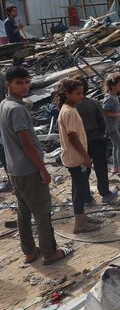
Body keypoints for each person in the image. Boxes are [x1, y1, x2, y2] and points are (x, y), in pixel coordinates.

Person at [0, 66, 70, 264]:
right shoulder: (16, 109)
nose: (24, 87)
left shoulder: (4, 105)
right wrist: (42, 169)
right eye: (19, 83)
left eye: (27, 82)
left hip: (15, 169)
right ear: (8, 85)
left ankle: (30, 251)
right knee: (42, 212)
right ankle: (50, 252)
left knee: (24, 211)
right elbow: (26, 143)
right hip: (28, 169)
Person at [55, 78, 102, 234]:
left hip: (75, 156)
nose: (81, 96)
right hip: (76, 157)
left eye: (82, 93)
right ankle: (79, 224)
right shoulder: (68, 111)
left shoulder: (70, 108)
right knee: (80, 190)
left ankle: (82, 217)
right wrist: (85, 157)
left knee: (78, 188)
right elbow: (72, 136)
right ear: (67, 94)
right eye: (78, 93)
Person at [76, 77, 117, 204]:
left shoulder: (70, 107)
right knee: (101, 168)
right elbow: (102, 122)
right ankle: (105, 193)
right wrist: (102, 134)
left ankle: (86, 198)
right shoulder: (93, 103)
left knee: (84, 170)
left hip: (80, 143)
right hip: (96, 139)